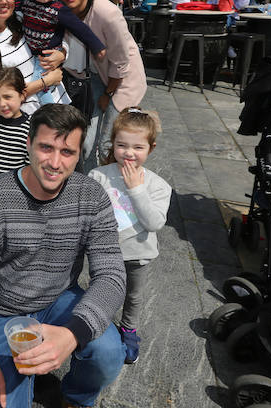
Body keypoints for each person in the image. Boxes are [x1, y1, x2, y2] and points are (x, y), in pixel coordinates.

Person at [0, 103, 126, 408]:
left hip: (60, 299)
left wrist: (72, 334)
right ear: (28, 144)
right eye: (45, 147)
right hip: (4, 311)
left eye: (67, 152)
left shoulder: (91, 195)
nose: (54, 162)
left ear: (80, 154)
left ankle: (76, 398)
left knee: (108, 353)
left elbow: (112, 275)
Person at [88, 108, 172, 364]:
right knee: (101, 290)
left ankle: (129, 329)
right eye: (122, 145)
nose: (129, 153)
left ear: (151, 148)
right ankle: (98, 323)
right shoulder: (99, 176)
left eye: (138, 147)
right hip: (103, 254)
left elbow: (154, 223)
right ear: (112, 144)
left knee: (133, 296)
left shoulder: (158, 185)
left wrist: (136, 190)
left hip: (138, 254)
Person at [58, 0, 147, 172]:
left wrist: (108, 95)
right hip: (94, 77)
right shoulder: (60, 10)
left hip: (122, 80)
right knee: (86, 141)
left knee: (110, 142)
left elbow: (121, 63)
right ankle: (87, 184)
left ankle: (113, 190)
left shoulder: (106, 13)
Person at [18, 0, 106, 103]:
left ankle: (50, 110)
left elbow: (80, 28)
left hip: (47, 56)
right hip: (32, 53)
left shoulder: (59, 9)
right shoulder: (27, 3)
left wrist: (97, 46)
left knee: (40, 85)